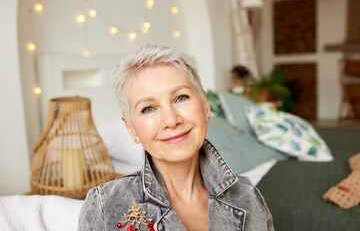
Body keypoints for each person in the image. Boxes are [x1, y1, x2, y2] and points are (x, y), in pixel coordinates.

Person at [78, 45, 274, 231]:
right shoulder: (104, 204)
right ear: (131, 129)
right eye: (148, 108)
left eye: (181, 97)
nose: (171, 120)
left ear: (206, 106)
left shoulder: (248, 197)